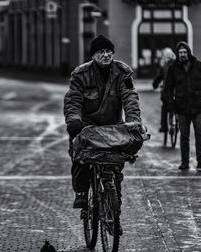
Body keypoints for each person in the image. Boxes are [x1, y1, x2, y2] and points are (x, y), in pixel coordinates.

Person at [63, 35, 142, 218]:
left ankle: (115, 211)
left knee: (116, 164)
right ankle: (82, 194)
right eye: (101, 52)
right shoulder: (80, 74)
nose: (106, 55)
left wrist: (134, 121)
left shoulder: (123, 72)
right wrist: (74, 121)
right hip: (86, 126)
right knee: (80, 156)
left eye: (108, 51)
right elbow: (73, 99)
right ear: (93, 55)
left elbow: (130, 97)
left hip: (113, 126)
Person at [164, 41, 201, 171]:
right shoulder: (173, 69)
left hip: (198, 106)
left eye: (184, 52)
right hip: (181, 108)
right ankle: (185, 162)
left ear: (188, 52)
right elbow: (168, 89)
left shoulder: (198, 65)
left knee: (199, 133)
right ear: (177, 54)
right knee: (184, 136)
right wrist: (170, 105)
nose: (182, 54)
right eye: (180, 53)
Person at [152, 48, 176, 133]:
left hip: (168, 91)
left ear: (166, 56)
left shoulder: (165, 66)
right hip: (178, 90)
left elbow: (159, 77)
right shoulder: (178, 64)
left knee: (164, 107)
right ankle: (176, 123)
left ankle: (164, 127)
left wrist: (155, 86)